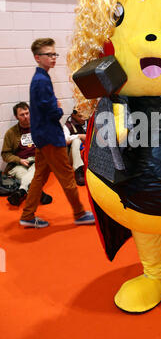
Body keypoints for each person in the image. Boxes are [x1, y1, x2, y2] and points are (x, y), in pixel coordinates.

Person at [19, 38, 95, 228]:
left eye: (54, 54)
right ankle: (79, 213)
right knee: (67, 176)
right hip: (50, 136)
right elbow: (51, 110)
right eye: (49, 54)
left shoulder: (41, 78)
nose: (53, 58)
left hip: (43, 136)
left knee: (40, 177)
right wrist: (59, 109)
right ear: (38, 57)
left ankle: (27, 215)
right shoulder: (41, 80)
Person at [1, 102, 52, 206]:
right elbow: (5, 154)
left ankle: (21, 192)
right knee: (25, 176)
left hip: (36, 161)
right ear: (16, 117)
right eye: (22, 115)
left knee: (33, 171)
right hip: (18, 164)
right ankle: (38, 193)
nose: (25, 116)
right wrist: (18, 160)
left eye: (27, 113)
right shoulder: (11, 133)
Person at [63, 108, 87, 186]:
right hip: (73, 157)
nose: (84, 118)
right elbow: (65, 140)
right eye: (80, 116)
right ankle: (78, 171)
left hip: (87, 153)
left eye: (85, 115)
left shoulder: (89, 121)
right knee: (76, 140)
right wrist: (79, 136)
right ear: (74, 115)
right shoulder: (67, 125)